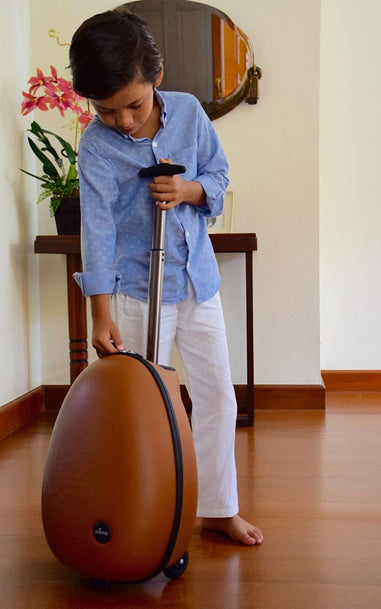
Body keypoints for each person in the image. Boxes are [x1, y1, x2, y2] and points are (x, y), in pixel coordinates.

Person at [69, 9, 263, 546]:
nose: (123, 121)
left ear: (156, 76)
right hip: (135, 293)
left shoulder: (189, 113)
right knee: (143, 406)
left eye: (133, 105)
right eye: (106, 110)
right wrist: (100, 313)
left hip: (197, 284)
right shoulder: (96, 146)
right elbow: (97, 228)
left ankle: (217, 508)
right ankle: (146, 510)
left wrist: (189, 190)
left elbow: (217, 174)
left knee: (217, 397)